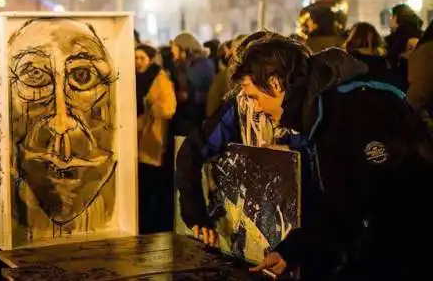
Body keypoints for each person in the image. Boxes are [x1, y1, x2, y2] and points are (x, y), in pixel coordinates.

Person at [179, 33, 433, 280]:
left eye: (255, 97)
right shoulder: (317, 111)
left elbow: (382, 205)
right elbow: (333, 200)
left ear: (275, 83)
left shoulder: (354, 108)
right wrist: (291, 250)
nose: (255, 108)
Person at [134, 44, 177, 233]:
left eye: (141, 58)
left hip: (152, 137)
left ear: (150, 59)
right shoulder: (130, 76)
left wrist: (151, 107)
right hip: (135, 138)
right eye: (135, 57)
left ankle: (153, 225)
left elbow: (169, 108)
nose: (137, 62)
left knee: (151, 181)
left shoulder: (159, 78)